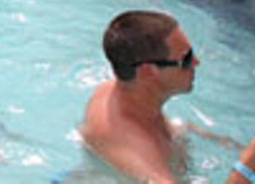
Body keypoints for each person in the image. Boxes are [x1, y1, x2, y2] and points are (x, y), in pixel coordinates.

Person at [80, 10, 199, 183]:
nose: (197, 62)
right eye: (186, 59)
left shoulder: (119, 92)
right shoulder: (137, 146)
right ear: (147, 71)